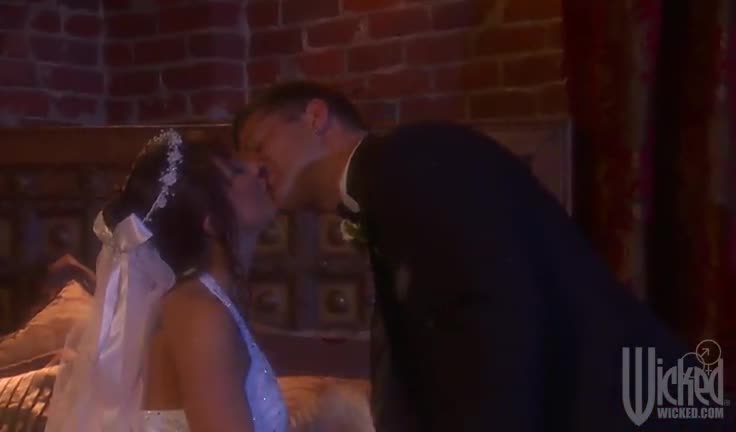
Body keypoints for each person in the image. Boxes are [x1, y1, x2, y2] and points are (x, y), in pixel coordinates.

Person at [231, 81, 723, 431]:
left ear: (316, 118)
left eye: (258, 144)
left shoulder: (412, 162)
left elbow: (497, 318)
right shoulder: (389, 184)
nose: (253, 168)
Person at [45, 129, 288, 432]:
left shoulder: (211, 301)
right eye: (237, 171)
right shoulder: (198, 313)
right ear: (211, 221)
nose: (258, 168)